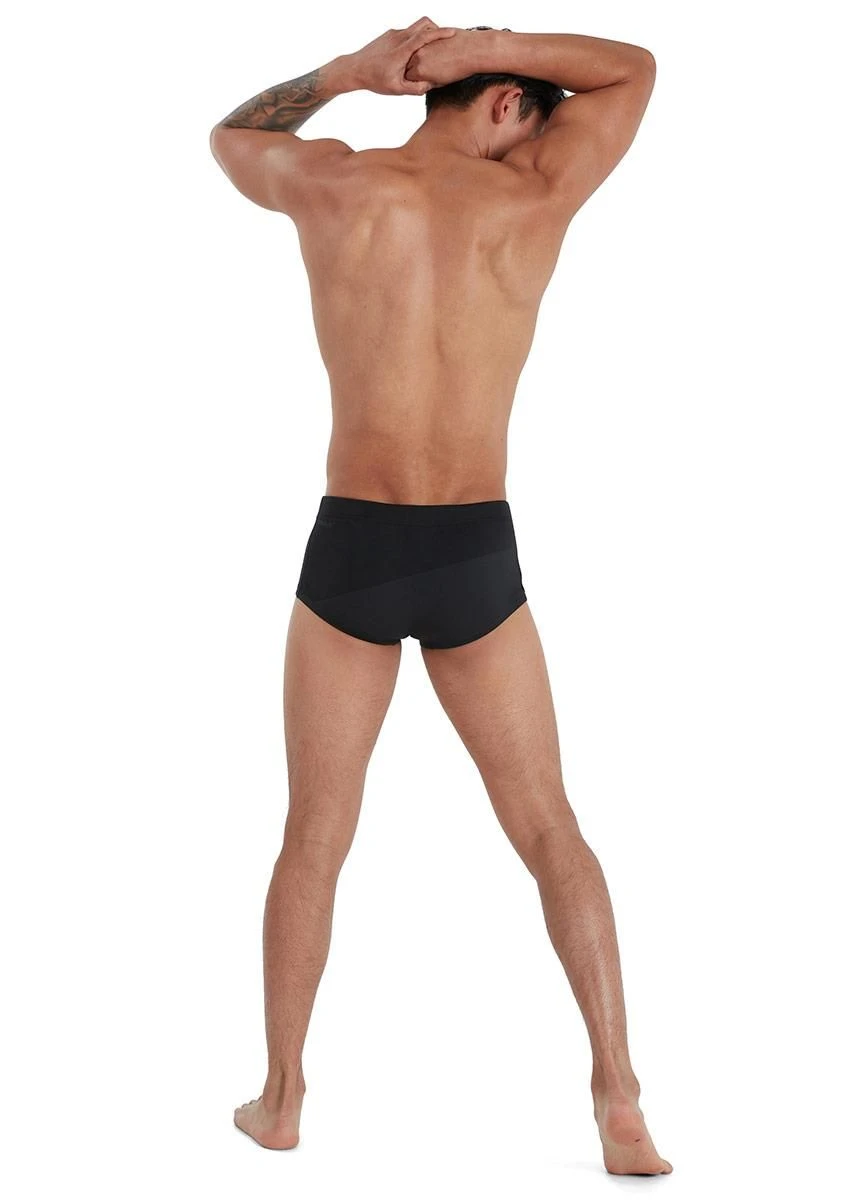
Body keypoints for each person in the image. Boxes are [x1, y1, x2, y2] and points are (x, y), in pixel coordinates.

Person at [209, 18, 670, 1176]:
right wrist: (487, 44)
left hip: (352, 545)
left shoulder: (333, 184)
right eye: (532, 118)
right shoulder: (534, 200)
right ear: (508, 107)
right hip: (474, 548)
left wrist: (347, 75)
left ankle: (281, 1097)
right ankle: (617, 1094)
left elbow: (230, 136)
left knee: (314, 836)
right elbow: (635, 69)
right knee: (549, 828)